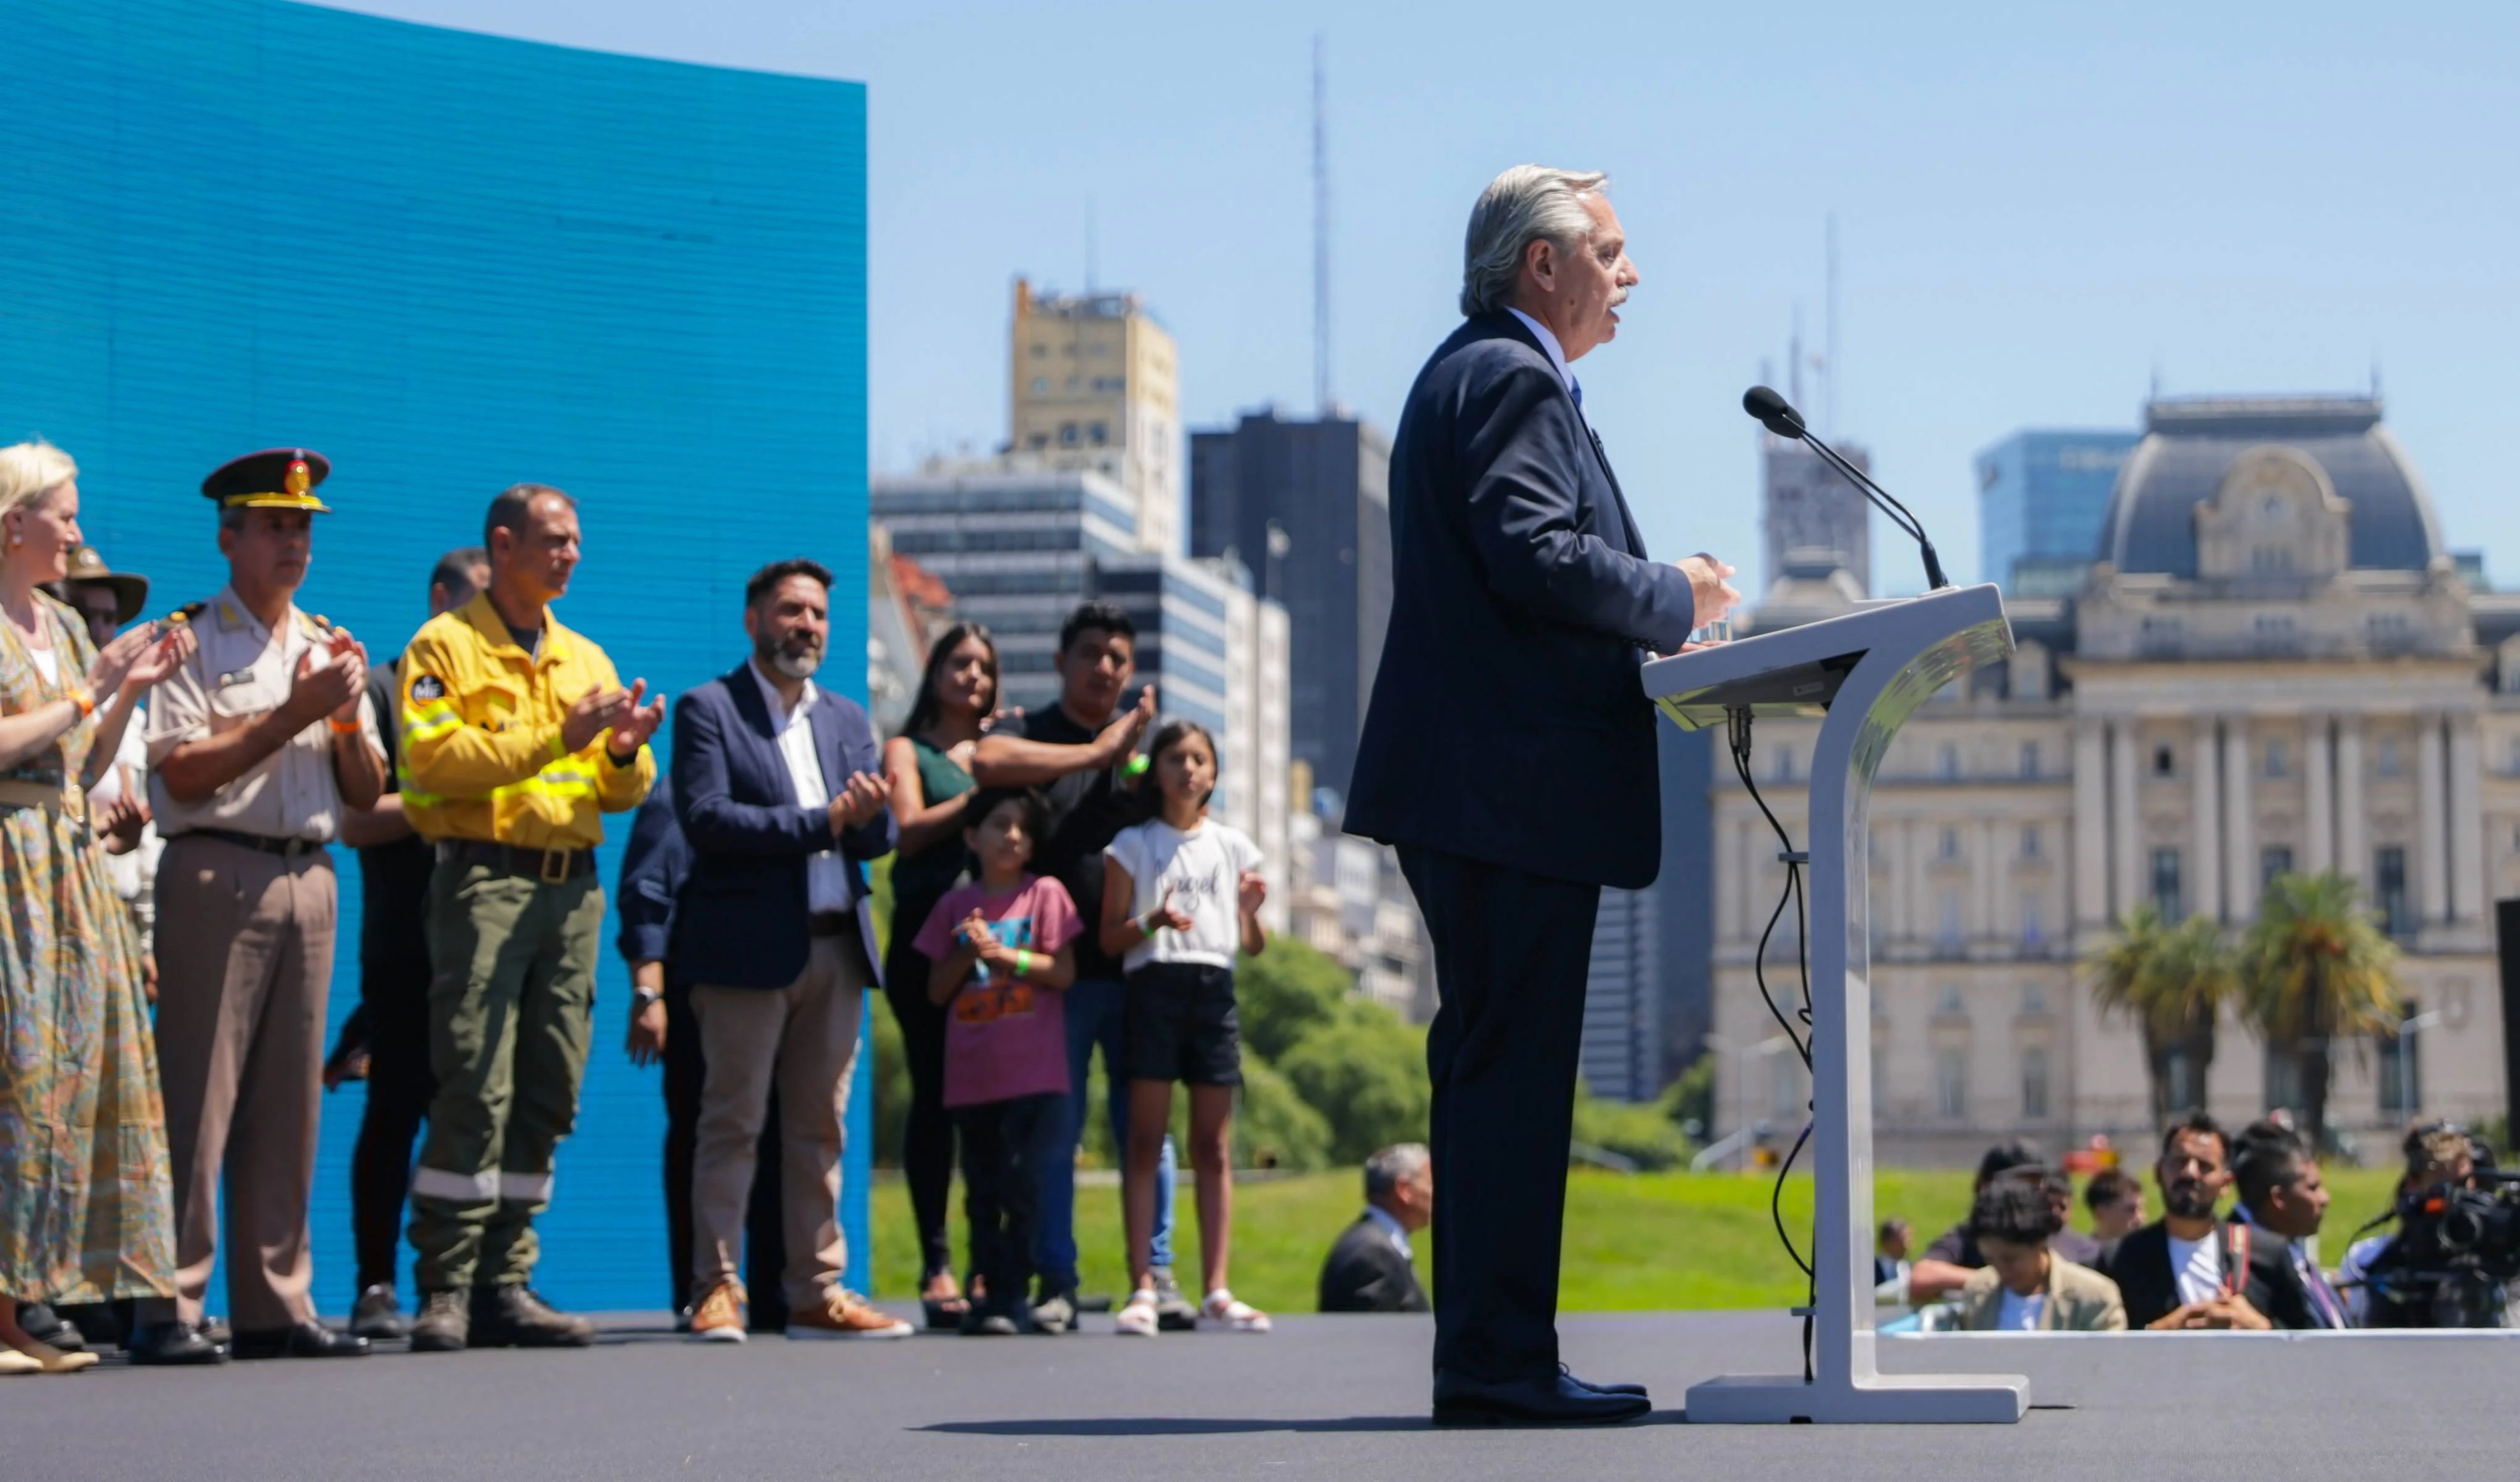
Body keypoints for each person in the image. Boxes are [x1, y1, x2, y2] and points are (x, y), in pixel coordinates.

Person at [1344, 165, 1736, 1427]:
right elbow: (1535, 553)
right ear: (1541, 265)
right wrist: (1673, 594)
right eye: (1609, 252)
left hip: (1475, 791)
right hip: (1506, 794)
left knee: (1486, 1077)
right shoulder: (1510, 375)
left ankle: (1490, 1356)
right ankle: (1500, 1364)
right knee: (1508, 1086)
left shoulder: (1472, 372)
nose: (1630, 276)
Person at [399, 483, 663, 1352]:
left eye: (577, 540)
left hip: (572, 887)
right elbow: (432, 761)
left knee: (551, 1085)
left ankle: (506, 1280)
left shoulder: (583, 656)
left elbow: (627, 787)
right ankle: (446, 1282)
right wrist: (557, 736)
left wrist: (621, 748)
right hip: (485, 880)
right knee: (473, 1077)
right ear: (503, 544)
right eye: (554, 540)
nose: (571, 554)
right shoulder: (445, 644)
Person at [138, 448, 384, 1365]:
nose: (295, 541)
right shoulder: (191, 640)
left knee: (292, 1098)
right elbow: (185, 772)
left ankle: (277, 1302)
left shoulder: (323, 642)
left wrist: (349, 713)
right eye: (276, 525)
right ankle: (170, 1302)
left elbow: (364, 791)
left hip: (308, 873)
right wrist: (290, 711)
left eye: (304, 526)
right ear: (228, 537)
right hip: (216, 868)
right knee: (197, 1093)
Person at [672, 559, 907, 1343]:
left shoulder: (846, 716)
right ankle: (717, 1287)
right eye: (790, 611)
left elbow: (876, 836)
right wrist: (825, 821)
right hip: (744, 952)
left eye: (817, 615)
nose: (805, 626)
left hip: (837, 950)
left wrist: (868, 818)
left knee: (821, 1130)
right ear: (752, 620)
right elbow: (707, 819)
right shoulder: (710, 708)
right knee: (732, 1123)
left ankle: (816, 1289)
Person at [0, 440, 191, 1375]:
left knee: (67, 1081)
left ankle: (26, 1302)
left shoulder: (66, 628)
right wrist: (90, 692)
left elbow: (80, 755)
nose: (78, 531)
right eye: (64, 515)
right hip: (6, 864)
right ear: (13, 523)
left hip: (64, 865)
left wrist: (127, 689)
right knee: (16, 1072)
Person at [970, 601, 1184, 1334]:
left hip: (1140, 973)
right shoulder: (1029, 734)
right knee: (1052, 1137)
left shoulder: (1146, 753)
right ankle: (1055, 1280)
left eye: (1117, 658)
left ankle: (1154, 1279)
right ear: (1061, 662)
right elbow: (984, 761)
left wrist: (1139, 752)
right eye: (1090, 653)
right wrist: (1098, 753)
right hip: (1054, 975)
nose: (1103, 668)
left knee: (1149, 1135)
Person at [327, 546, 487, 1342]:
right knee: (394, 1110)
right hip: (405, 942)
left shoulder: (506, 690)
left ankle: (468, 1286)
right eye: (476, 606)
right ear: (438, 599)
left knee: (478, 1112)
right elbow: (354, 821)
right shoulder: (386, 688)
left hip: (490, 942)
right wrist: (451, 798)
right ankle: (376, 1281)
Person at [1102, 720, 1271, 1336]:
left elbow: (1252, 945)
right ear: (1158, 769)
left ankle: (1218, 1287)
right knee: (1146, 1139)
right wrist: (1150, 920)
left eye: (1200, 759)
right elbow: (1109, 937)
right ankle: (1143, 1283)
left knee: (1214, 1145)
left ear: (1215, 773)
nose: (1188, 770)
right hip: (1153, 985)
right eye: (1176, 758)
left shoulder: (1234, 846)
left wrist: (1250, 914)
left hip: (1213, 990)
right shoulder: (1132, 844)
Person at [617, 774, 791, 1331]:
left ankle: (777, 1293)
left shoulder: (804, 772)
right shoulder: (684, 789)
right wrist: (650, 991)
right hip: (705, 991)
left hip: (788, 983)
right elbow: (647, 888)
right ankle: (702, 1290)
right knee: (704, 1133)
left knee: (786, 1134)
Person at [914, 788, 1084, 1335]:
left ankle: (1016, 1291)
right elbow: (936, 991)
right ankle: (985, 1289)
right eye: (998, 824)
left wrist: (1004, 954)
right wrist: (968, 950)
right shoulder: (954, 906)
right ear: (971, 837)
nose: (1011, 836)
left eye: (1022, 828)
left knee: (1023, 1185)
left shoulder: (1046, 894)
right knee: (981, 1189)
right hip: (972, 1076)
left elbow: (1062, 973)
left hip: (1033, 1074)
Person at [881, 622, 997, 1329]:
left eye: (984, 666)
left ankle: (993, 1261)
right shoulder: (908, 749)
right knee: (934, 1101)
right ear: (934, 671)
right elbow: (909, 827)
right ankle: (936, 1261)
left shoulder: (1000, 749)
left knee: (991, 1105)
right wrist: (980, 797)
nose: (973, 677)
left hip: (995, 944)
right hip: (926, 943)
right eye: (959, 663)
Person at [2094, 1113, 2314, 1331]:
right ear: (2158, 1172)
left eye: (2205, 1166)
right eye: (2180, 1162)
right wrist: (2158, 1333)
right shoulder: (2121, 1259)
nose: (2190, 1173)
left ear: (2226, 1183)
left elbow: (2310, 1342)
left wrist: (2259, 1327)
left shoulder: (2268, 1254)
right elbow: (2099, 1349)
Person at [2337, 1122, 2479, 1326]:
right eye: (2446, 1188)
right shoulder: (2367, 1259)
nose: (2460, 1199)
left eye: (2465, 1184)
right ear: (2413, 1185)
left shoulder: (2493, 1258)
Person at [1954, 1181, 2126, 1332]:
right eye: (1990, 1260)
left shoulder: (2094, 1296)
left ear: (2039, 1244)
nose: (2001, 1271)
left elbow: (2108, 1364)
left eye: (2010, 1259)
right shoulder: (1977, 1291)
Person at [2232, 1120, 2349, 1329]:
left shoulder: (2291, 1249)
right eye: (2312, 1188)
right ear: (2279, 1199)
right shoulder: (2236, 1260)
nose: (2325, 1199)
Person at [1318, 1143, 1433, 1314]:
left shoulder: (1372, 1244)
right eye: (1432, 1183)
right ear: (1404, 1190)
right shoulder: (1373, 1255)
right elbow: (1371, 1338)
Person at [2083, 1166, 2147, 1242]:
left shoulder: (2150, 1252)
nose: (2140, 1219)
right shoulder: (2078, 1253)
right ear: (2101, 1213)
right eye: (2131, 1210)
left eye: (2141, 1209)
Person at [1873, 1219, 1912, 1292]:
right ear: (1887, 1242)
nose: (1907, 1246)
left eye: (1909, 1240)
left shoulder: (1911, 1269)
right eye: (1903, 1239)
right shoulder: (1871, 1269)